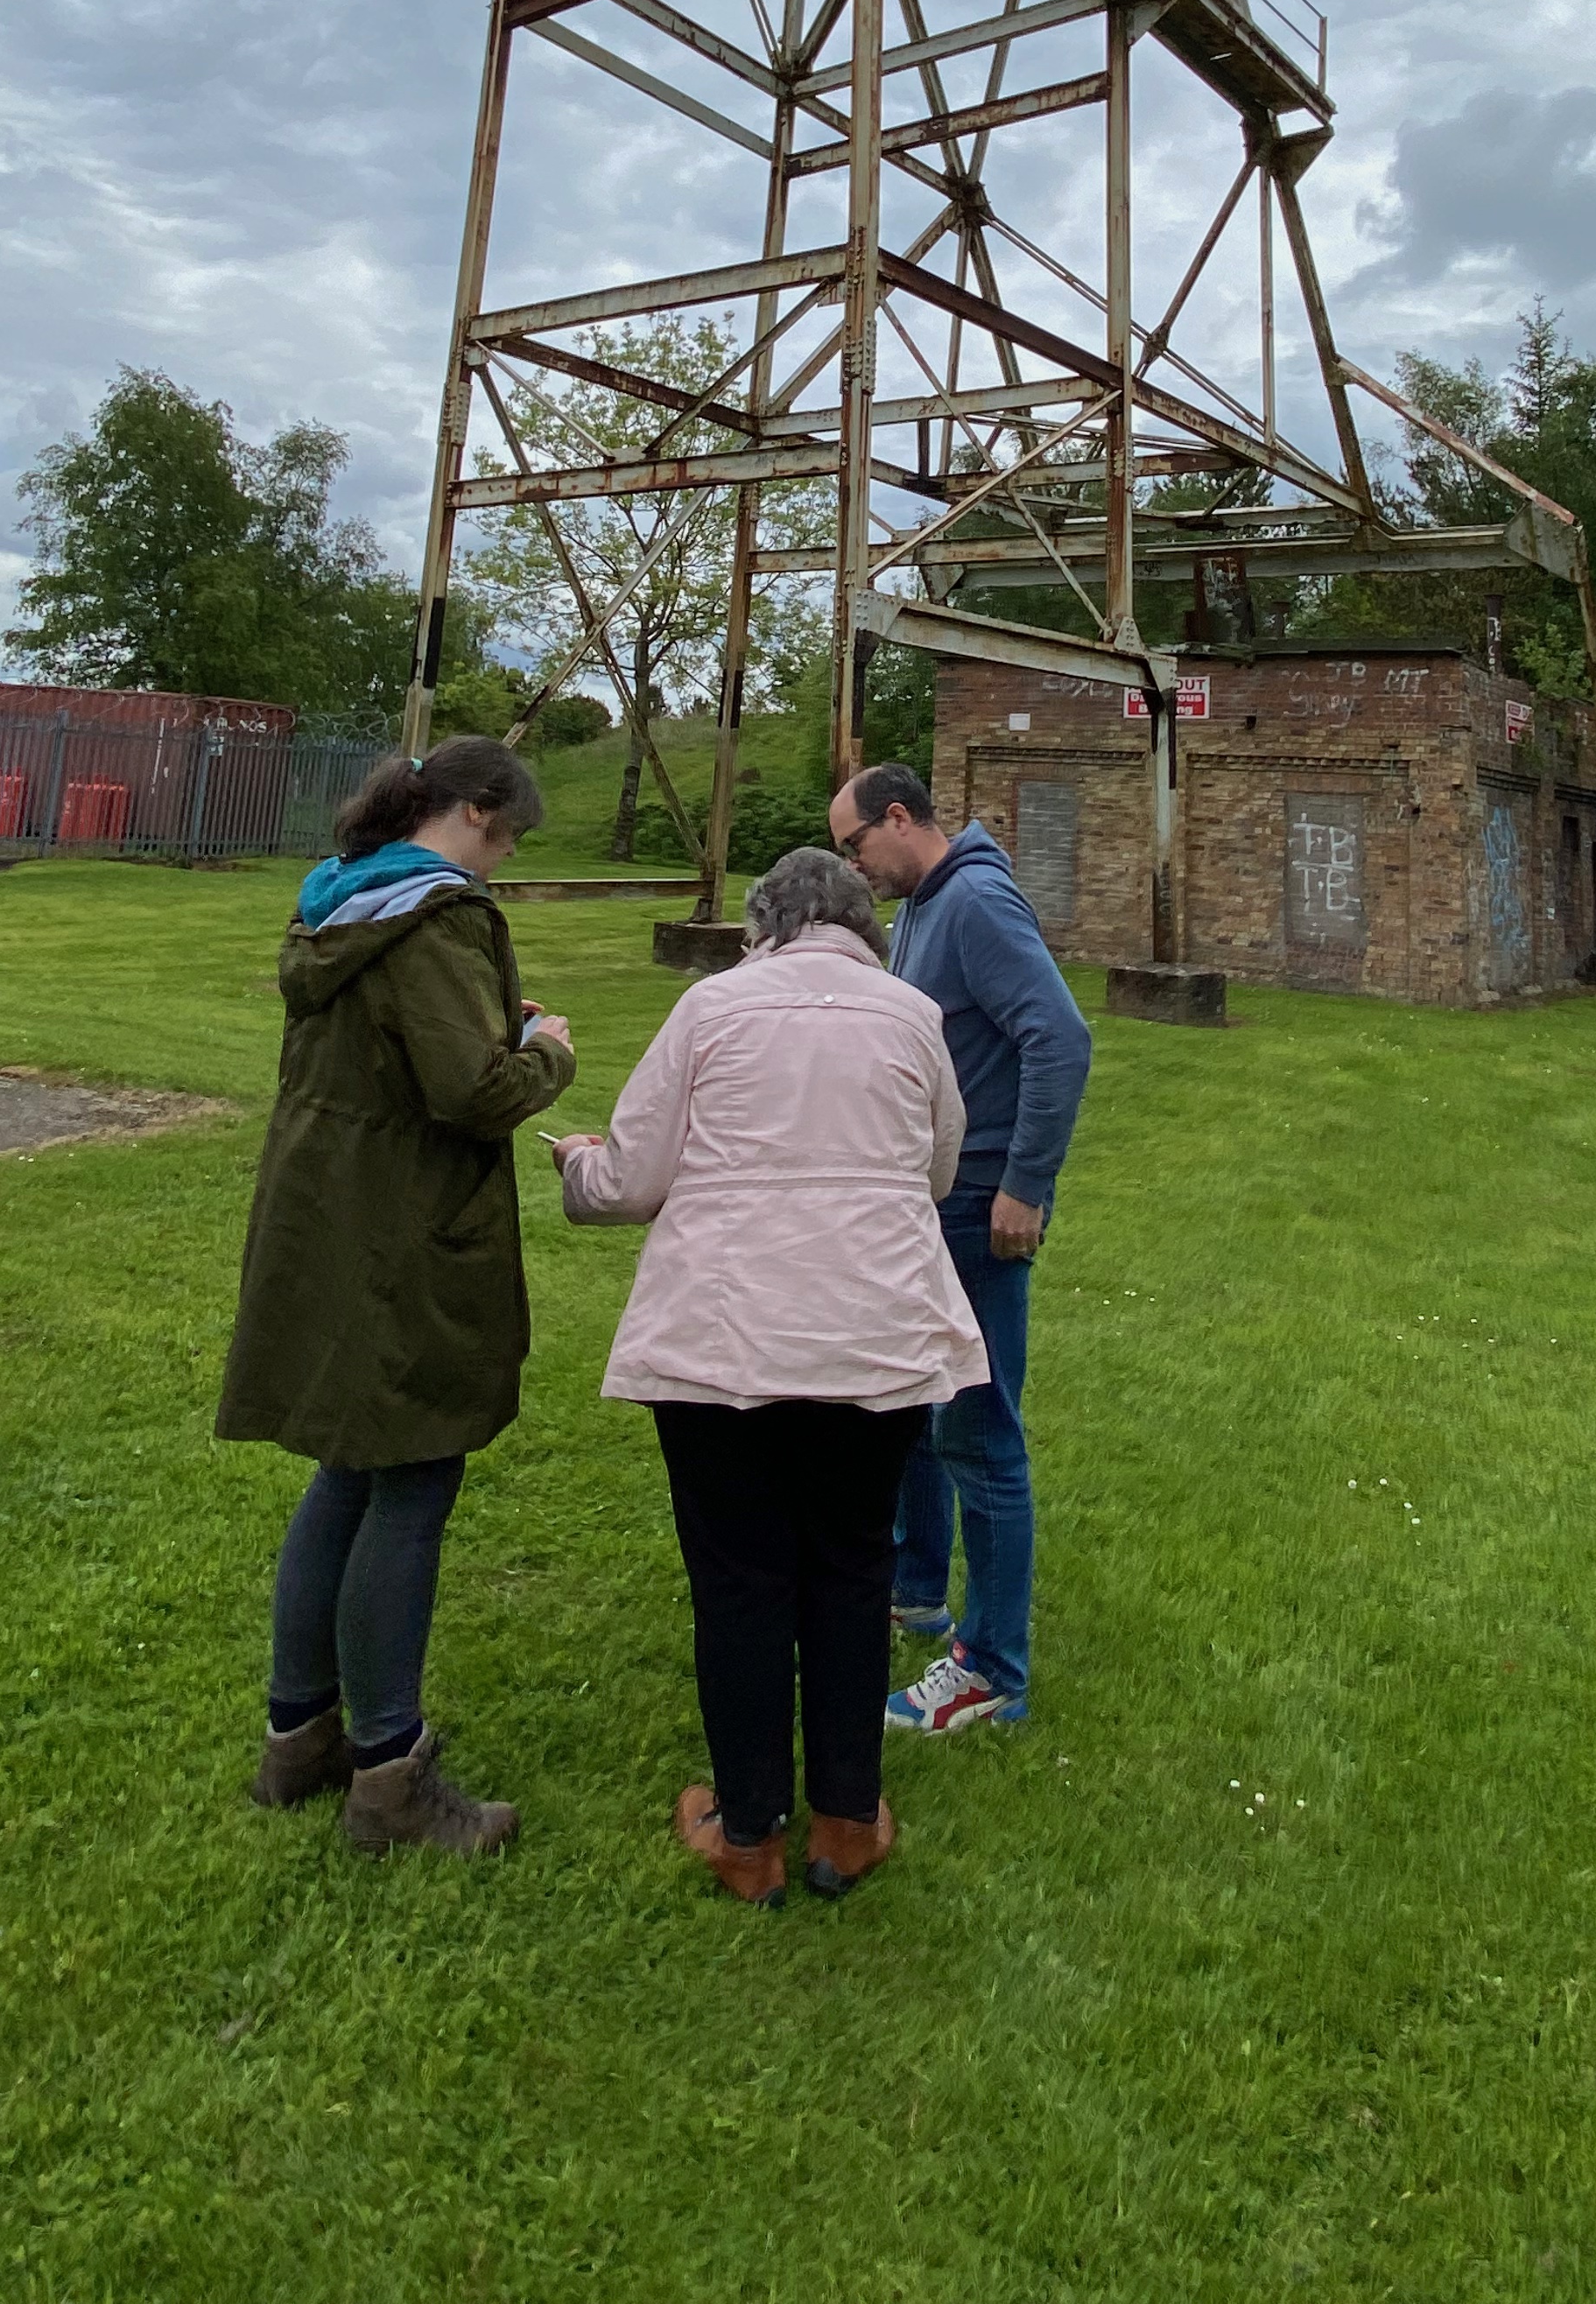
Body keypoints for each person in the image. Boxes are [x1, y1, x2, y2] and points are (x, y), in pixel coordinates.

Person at [555, 847, 985, 1907]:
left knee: (740, 1579)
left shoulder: (712, 1007)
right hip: (874, 1335)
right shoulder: (911, 1014)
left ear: (765, 926)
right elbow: (937, 1170)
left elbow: (630, 1181)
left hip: (724, 1337)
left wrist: (575, 1163)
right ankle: (845, 1819)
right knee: (851, 1567)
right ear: (859, 926)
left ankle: (749, 1833)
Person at [216, 734, 574, 1857]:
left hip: (325, 1222)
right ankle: (389, 1775)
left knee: (345, 1472)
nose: (500, 863)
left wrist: (492, 1030)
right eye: (505, 839)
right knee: (409, 1481)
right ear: (472, 812)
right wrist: (545, 1051)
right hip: (400, 1236)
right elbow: (468, 1091)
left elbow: (399, 1055)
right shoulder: (439, 916)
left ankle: (300, 1737)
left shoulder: (341, 902)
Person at [824, 761, 1092, 1737]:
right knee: (919, 1405)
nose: (857, 868)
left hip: (981, 1204)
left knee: (979, 1431)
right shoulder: (926, 906)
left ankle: (991, 1667)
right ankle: (916, 1589)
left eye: (857, 845)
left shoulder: (973, 900)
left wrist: (1025, 1184)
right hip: (931, 1200)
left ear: (901, 818)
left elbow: (1060, 1039)